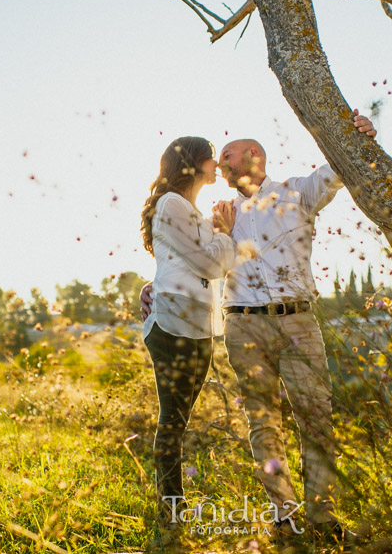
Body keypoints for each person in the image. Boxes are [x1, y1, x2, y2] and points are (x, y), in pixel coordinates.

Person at [142, 111, 377, 542]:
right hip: (243, 327)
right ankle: (284, 517)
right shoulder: (217, 215)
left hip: (299, 321)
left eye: (227, 155)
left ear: (253, 156)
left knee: (316, 418)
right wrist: (151, 285)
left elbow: (338, 168)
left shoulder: (295, 193)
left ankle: (323, 520)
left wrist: (356, 132)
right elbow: (183, 259)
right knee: (263, 423)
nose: (221, 163)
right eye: (216, 158)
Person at [140, 136, 237, 525]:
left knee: (178, 420)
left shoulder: (190, 210)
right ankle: (171, 509)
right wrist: (225, 234)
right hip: (173, 324)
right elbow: (209, 267)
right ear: (194, 164)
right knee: (172, 419)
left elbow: (187, 265)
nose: (216, 164)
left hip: (197, 324)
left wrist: (217, 235)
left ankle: (173, 504)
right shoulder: (172, 204)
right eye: (211, 158)